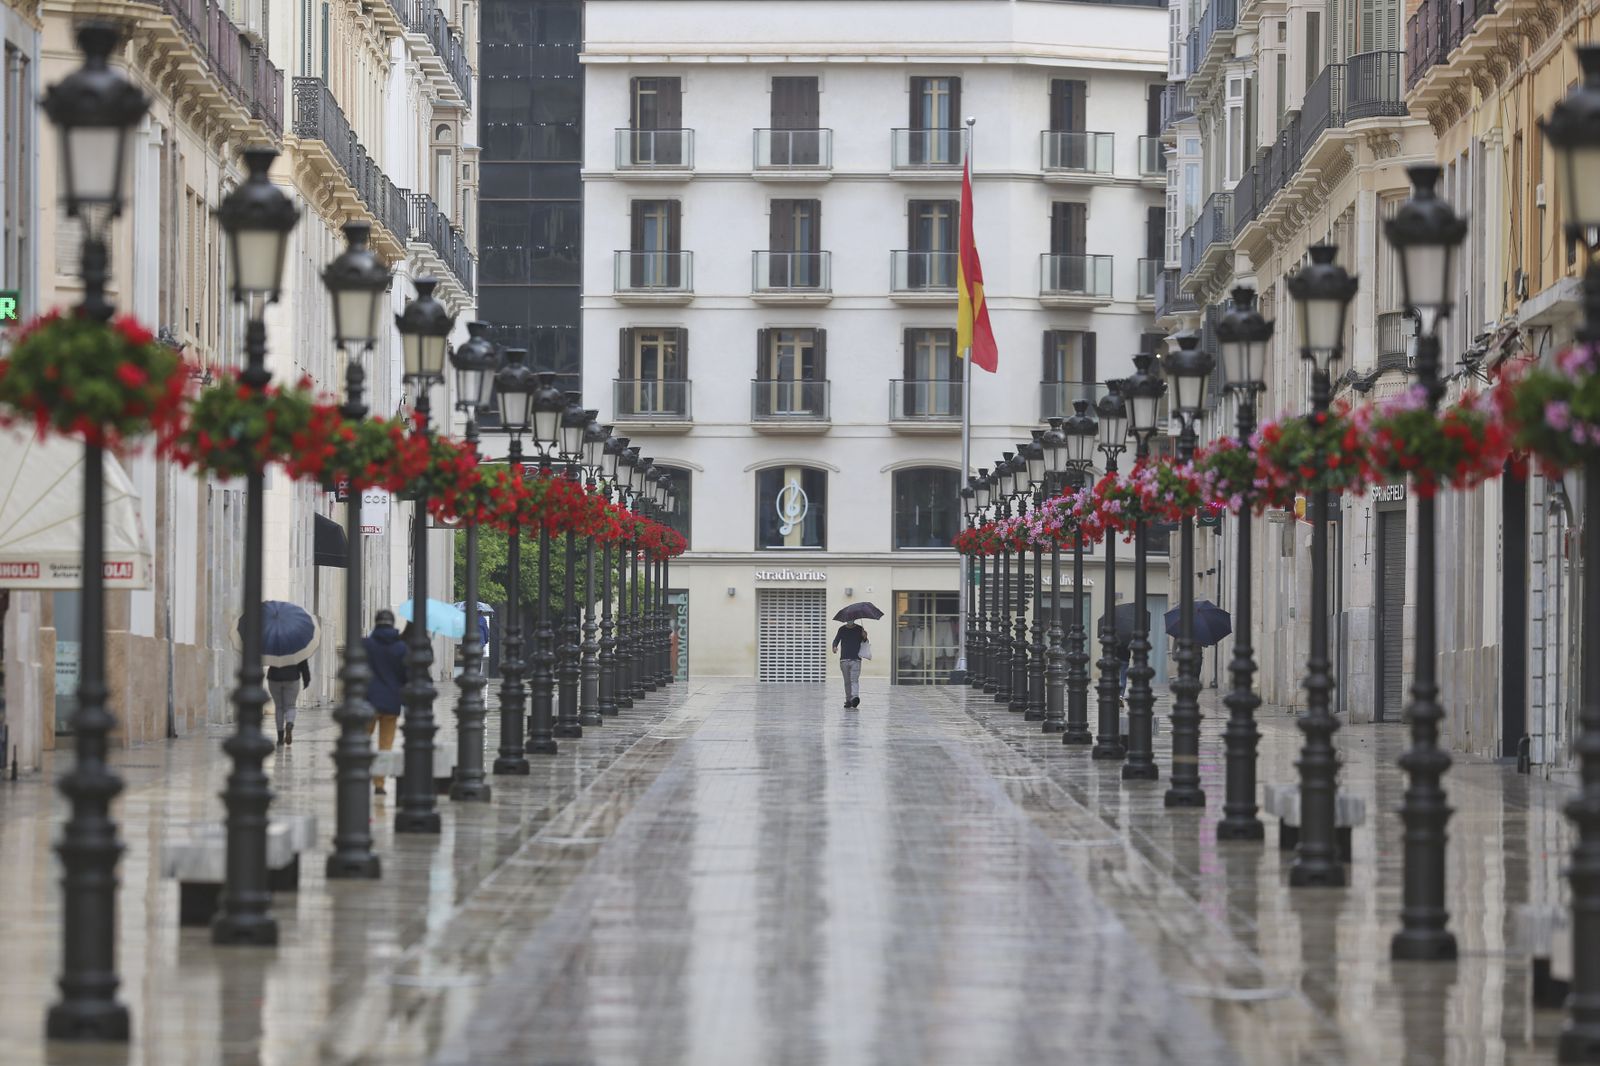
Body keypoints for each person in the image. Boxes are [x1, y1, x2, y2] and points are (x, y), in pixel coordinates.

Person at [364, 609, 407, 795]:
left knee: (362, 741)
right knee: (385, 745)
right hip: (391, 703)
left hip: (368, 702)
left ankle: (360, 775)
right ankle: (379, 784)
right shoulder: (401, 648)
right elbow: (405, 676)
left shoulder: (366, 645)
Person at [266, 656, 311, 747]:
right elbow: (303, 663)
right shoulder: (295, 647)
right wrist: (306, 678)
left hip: (274, 677)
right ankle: (289, 723)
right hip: (292, 676)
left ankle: (280, 738)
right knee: (290, 706)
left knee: (279, 707)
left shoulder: (272, 647)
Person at [831, 621, 867, 709]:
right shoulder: (842, 629)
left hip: (856, 659)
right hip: (844, 660)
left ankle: (854, 698)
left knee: (854, 680)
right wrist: (834, 647)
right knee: (847, 681)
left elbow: (865, 642)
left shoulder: (859, 629)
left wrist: (865, 636)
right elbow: (836, 640)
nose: (850, 620)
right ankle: (848, 700)